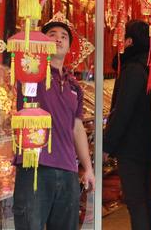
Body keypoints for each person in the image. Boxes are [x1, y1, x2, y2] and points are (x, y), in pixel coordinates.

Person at [13, 21, 95, 230]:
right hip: (35, 167)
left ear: (69, 47)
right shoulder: (32, 72)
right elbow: (25, 43)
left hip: (68, 168)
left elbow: (77, 128)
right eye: (52, 34)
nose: (58, 39)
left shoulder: (74, 86)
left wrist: (87, 168)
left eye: (64, 36)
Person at [104, 20, 151, 230]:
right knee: (145, 197)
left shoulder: (133, 69)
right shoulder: (150, 66)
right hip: (147, 143)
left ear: (129, 41)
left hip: (132, 145)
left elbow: (123, 111)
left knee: (136, 199)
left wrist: (107, 145)